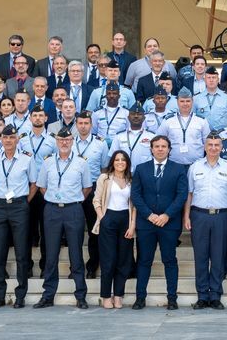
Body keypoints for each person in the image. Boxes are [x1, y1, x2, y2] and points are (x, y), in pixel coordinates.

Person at [33, 127, 93, 309]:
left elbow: (87, 188)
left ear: (72, 141)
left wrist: (72, 199)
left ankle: (80, 295)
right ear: (56, 142)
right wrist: (54, 198)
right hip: (52, 210)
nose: (64, 143)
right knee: (51, 255)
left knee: (76, 254)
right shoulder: (48, 162)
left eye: (67, 140)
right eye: (61, 140)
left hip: (73, 210)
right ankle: (48, 295)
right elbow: (42, 186)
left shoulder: (81, 163)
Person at [131, 135, 189, 310]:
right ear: (151, 149)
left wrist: (167, 215)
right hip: (146, 223)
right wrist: (148, 215)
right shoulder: (141, 169)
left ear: (169, 149)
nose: (160, 149)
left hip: (169, 224)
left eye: (164, 146)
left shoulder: (178, 169)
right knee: (144, 261)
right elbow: (136, 195)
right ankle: (140, 298)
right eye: (157, 146)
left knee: (169, 260)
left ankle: (172, 298)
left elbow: (182, 195)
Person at [184, 132, 227, 310]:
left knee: (218, 257)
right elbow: (189, 194)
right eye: (210, 145)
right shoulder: (194, 167)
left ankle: (215, 295)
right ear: (205, 147)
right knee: (200, 256)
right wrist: (186, 216)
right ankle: (202, 296)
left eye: (217, 145)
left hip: (221, 216)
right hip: (199, 215)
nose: (213, 148)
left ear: (221, 147)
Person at [0, 124, 36, 308]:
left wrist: (22, 202)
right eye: (5, 137)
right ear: (1, 139)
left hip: (19, 206)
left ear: (17, 139)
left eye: (12, 137)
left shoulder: (27, 159)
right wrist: (2, 197)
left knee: (21, 253)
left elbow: (33, 184)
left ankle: (20, 295)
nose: (8, 141)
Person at [93, 150, 136, 309]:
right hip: (108, 218)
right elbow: (96, 200)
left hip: (125, 220)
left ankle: (118, 295)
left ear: (127, 163)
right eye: (117, 160)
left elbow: (134, 205)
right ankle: (105, 296)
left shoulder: (131, 180)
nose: (120, 162)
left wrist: (132, 225)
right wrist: (102, 218)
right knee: (108, 260)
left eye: (123, 160)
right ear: (112, 162)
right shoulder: (104, 178)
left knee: (123, 261)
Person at [17, 105, 56, 276]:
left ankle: (45, 266)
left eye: (41, 115)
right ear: (30, 118)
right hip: (28, 188)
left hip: (46, 189)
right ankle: (26, 266)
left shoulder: (53, 140)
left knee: (47, 230)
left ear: (46, 118)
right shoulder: (22, 139)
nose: (38, 118)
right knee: (25, 230)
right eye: (35, 115)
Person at [74, 111, 109, 279]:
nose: (83, 126)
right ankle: (75, 267)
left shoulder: (100, 144)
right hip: (73, 189)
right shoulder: (69, 142)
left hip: (94, 189)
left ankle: (92, 266)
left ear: (91, 125)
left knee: (94, 230)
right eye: (80, 123)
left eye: (86, 123)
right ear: (76, 125)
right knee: (74, 231)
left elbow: (104, 169)